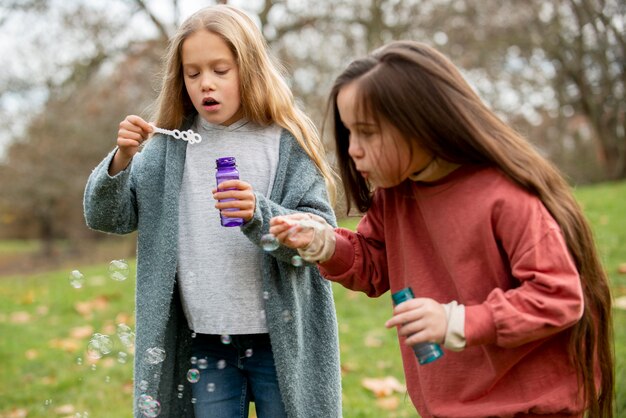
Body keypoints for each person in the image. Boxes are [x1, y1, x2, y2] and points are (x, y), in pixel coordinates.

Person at [270, 40, 614, 418]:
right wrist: (325, 243)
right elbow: (373, 263)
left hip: (527, 409)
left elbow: (558, 296)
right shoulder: (396, 196)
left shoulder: (504, 196)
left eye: (367, 132)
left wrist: (458, 321)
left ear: (420, 123)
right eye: (349, 133)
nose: (352, 149)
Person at [84, 5, 342, 418]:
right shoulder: (170, 146)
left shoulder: (284, 142)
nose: (206, 83)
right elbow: (108, 217)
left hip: (281, 340)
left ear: (250, 68)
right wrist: (122, 159)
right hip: (204, 339)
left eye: (221, 70)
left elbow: (321, 236)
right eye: (193, 73)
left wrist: (260, 214)